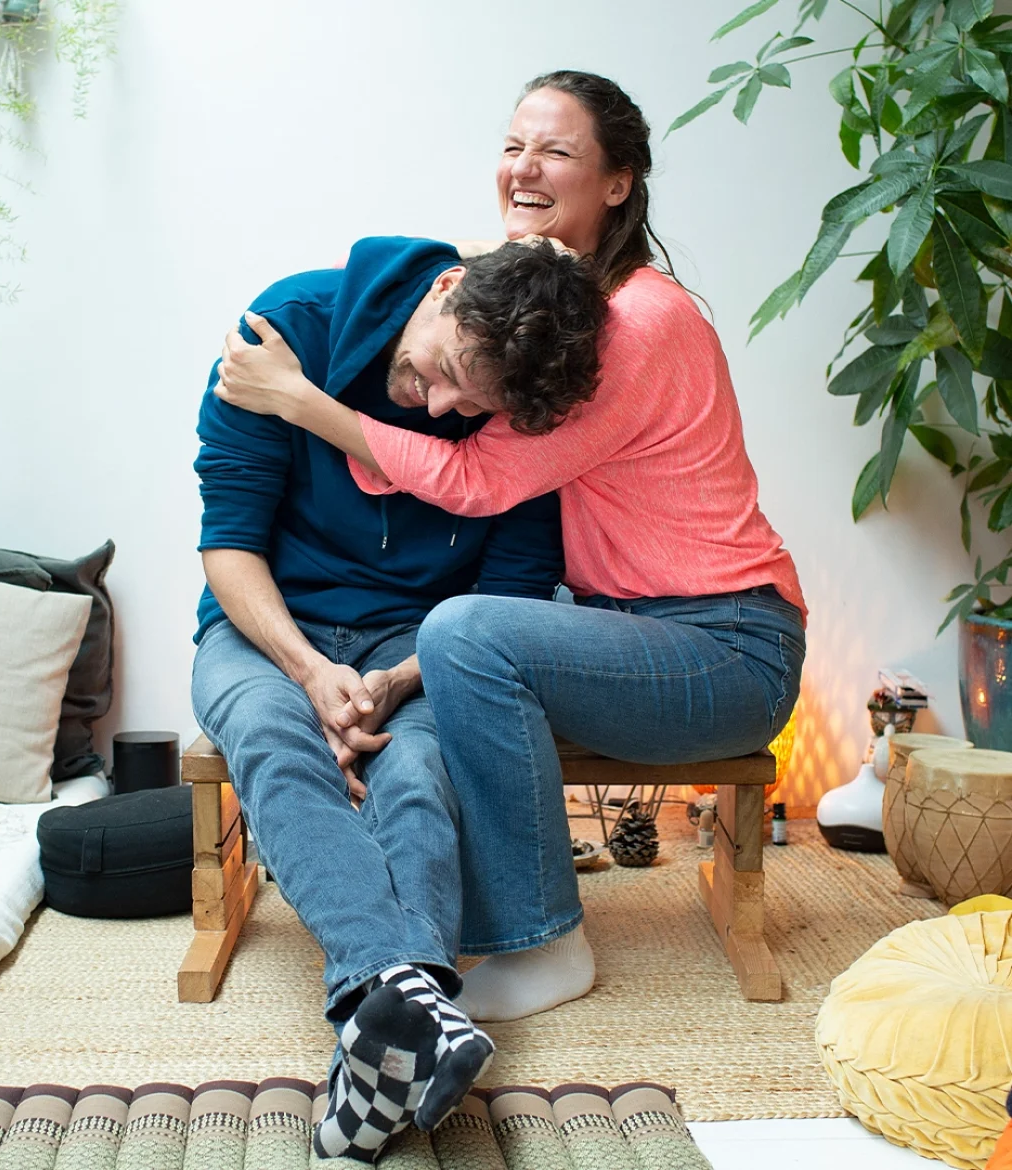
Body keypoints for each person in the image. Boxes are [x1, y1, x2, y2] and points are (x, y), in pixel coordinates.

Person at [214, 71, 808, 1027]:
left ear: (617, 184)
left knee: (466, 635)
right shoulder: (548, 304)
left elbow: (479, 480)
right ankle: (410, 953)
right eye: (514, 145)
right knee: (434, 677)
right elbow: (458, 303)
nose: (525, 169)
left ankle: (541, 940)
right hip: (630, 623)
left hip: (723, 645)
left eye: (559, 152)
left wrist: (301, 402)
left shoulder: (632, 324)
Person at [191, 233, 606, 1162]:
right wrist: (307, 672)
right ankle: (411, 995)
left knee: (416, 770)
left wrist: (394, 680)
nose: (447, 407)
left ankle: (384, 1032)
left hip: (414, 647)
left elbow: (513, 586)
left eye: (472, 402)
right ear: (446, 289)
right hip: (265, 631)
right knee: (267, 733)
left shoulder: (514, 414)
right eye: (449, 370)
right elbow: (228, 541)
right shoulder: (285, 331)